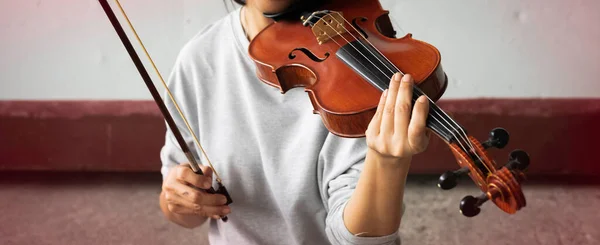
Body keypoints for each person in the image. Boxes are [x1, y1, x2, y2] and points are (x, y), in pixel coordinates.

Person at [158, 0, 430, 244]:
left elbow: (356, 241)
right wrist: (179, 200)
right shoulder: (198, 59)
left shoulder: (358, 55)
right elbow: (185, 213)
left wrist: (387, 162)